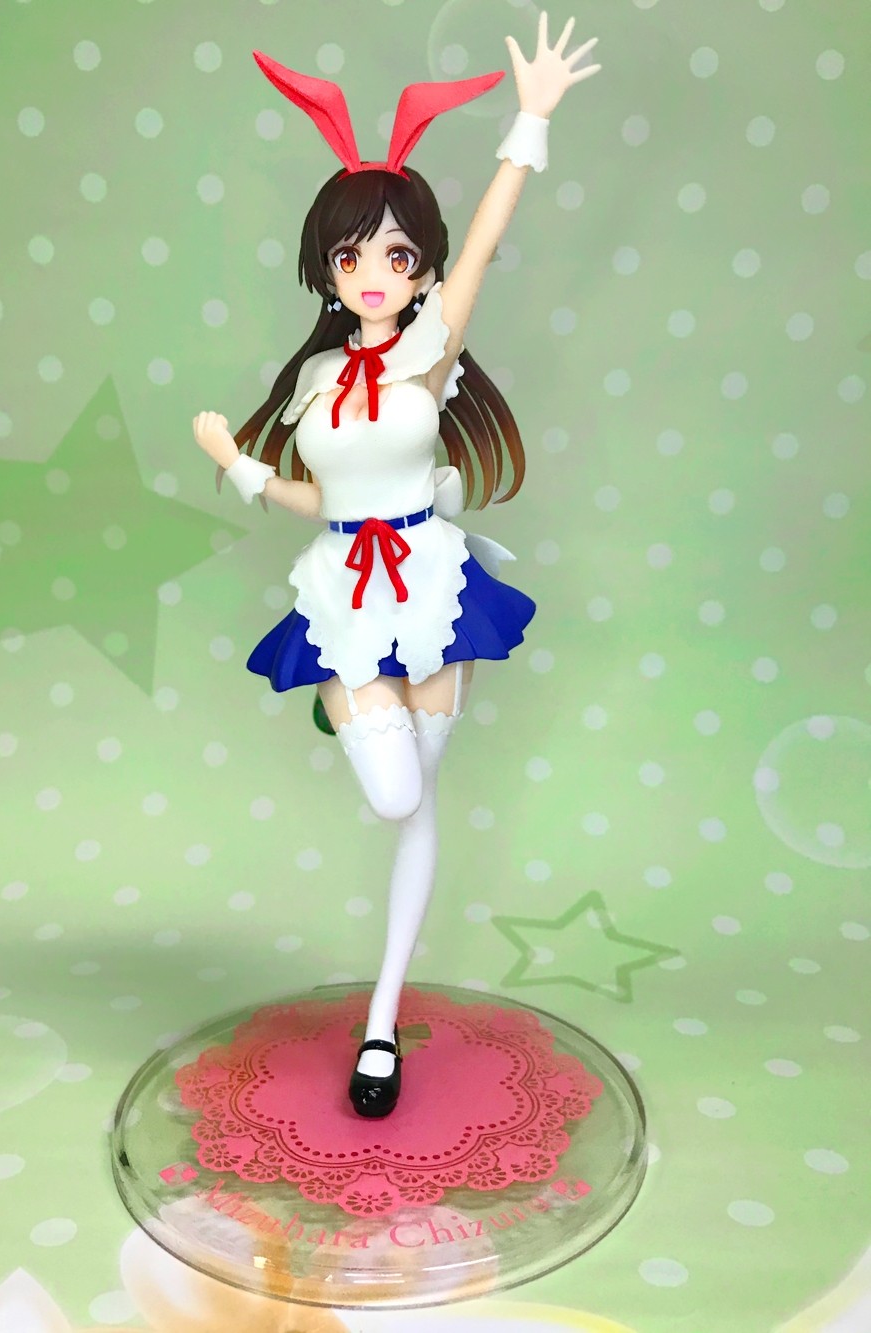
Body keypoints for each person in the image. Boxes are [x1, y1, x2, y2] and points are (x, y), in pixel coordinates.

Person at [193, 13, 600, 1118]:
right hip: (344, 584)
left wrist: (530, 120)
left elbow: (487, 239)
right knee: (395, 793)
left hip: (431, 583)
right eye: (352, 255)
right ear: (328, 268)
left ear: (419, 268)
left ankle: (380, 1024)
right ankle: (350, 708)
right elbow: (321, 495)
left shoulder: (430, 348)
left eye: (397, 254)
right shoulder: (317, 378)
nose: (374, 272)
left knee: (416, 810)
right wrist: (240, 467)